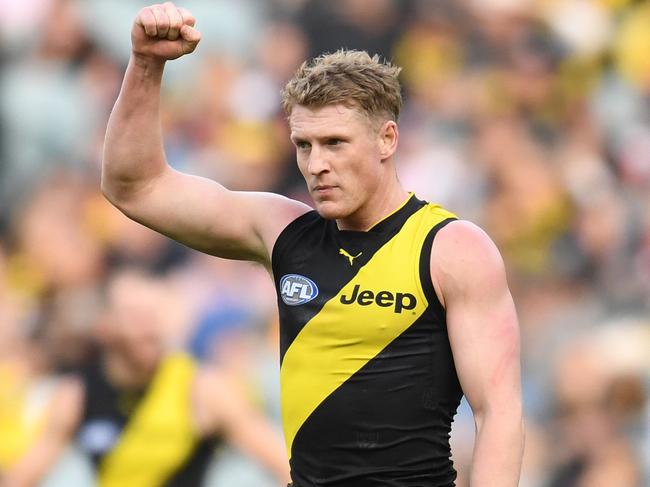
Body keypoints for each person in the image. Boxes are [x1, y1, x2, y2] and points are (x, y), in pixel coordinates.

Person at [100, 3, 525, 485]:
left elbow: (498, 413)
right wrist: (146, 64)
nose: (316, 164)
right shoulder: (283, 230)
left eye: (335, 143)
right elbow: (134, 187)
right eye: (304, 145)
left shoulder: (451, 249)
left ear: (387, 139)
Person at [1, 269, 290, 487]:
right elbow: (24, 475)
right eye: (136, 316)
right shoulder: (77, 394)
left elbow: (281, 462)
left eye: (155, 315)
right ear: (105, 325)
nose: (150, 328)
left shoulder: (200, 387)